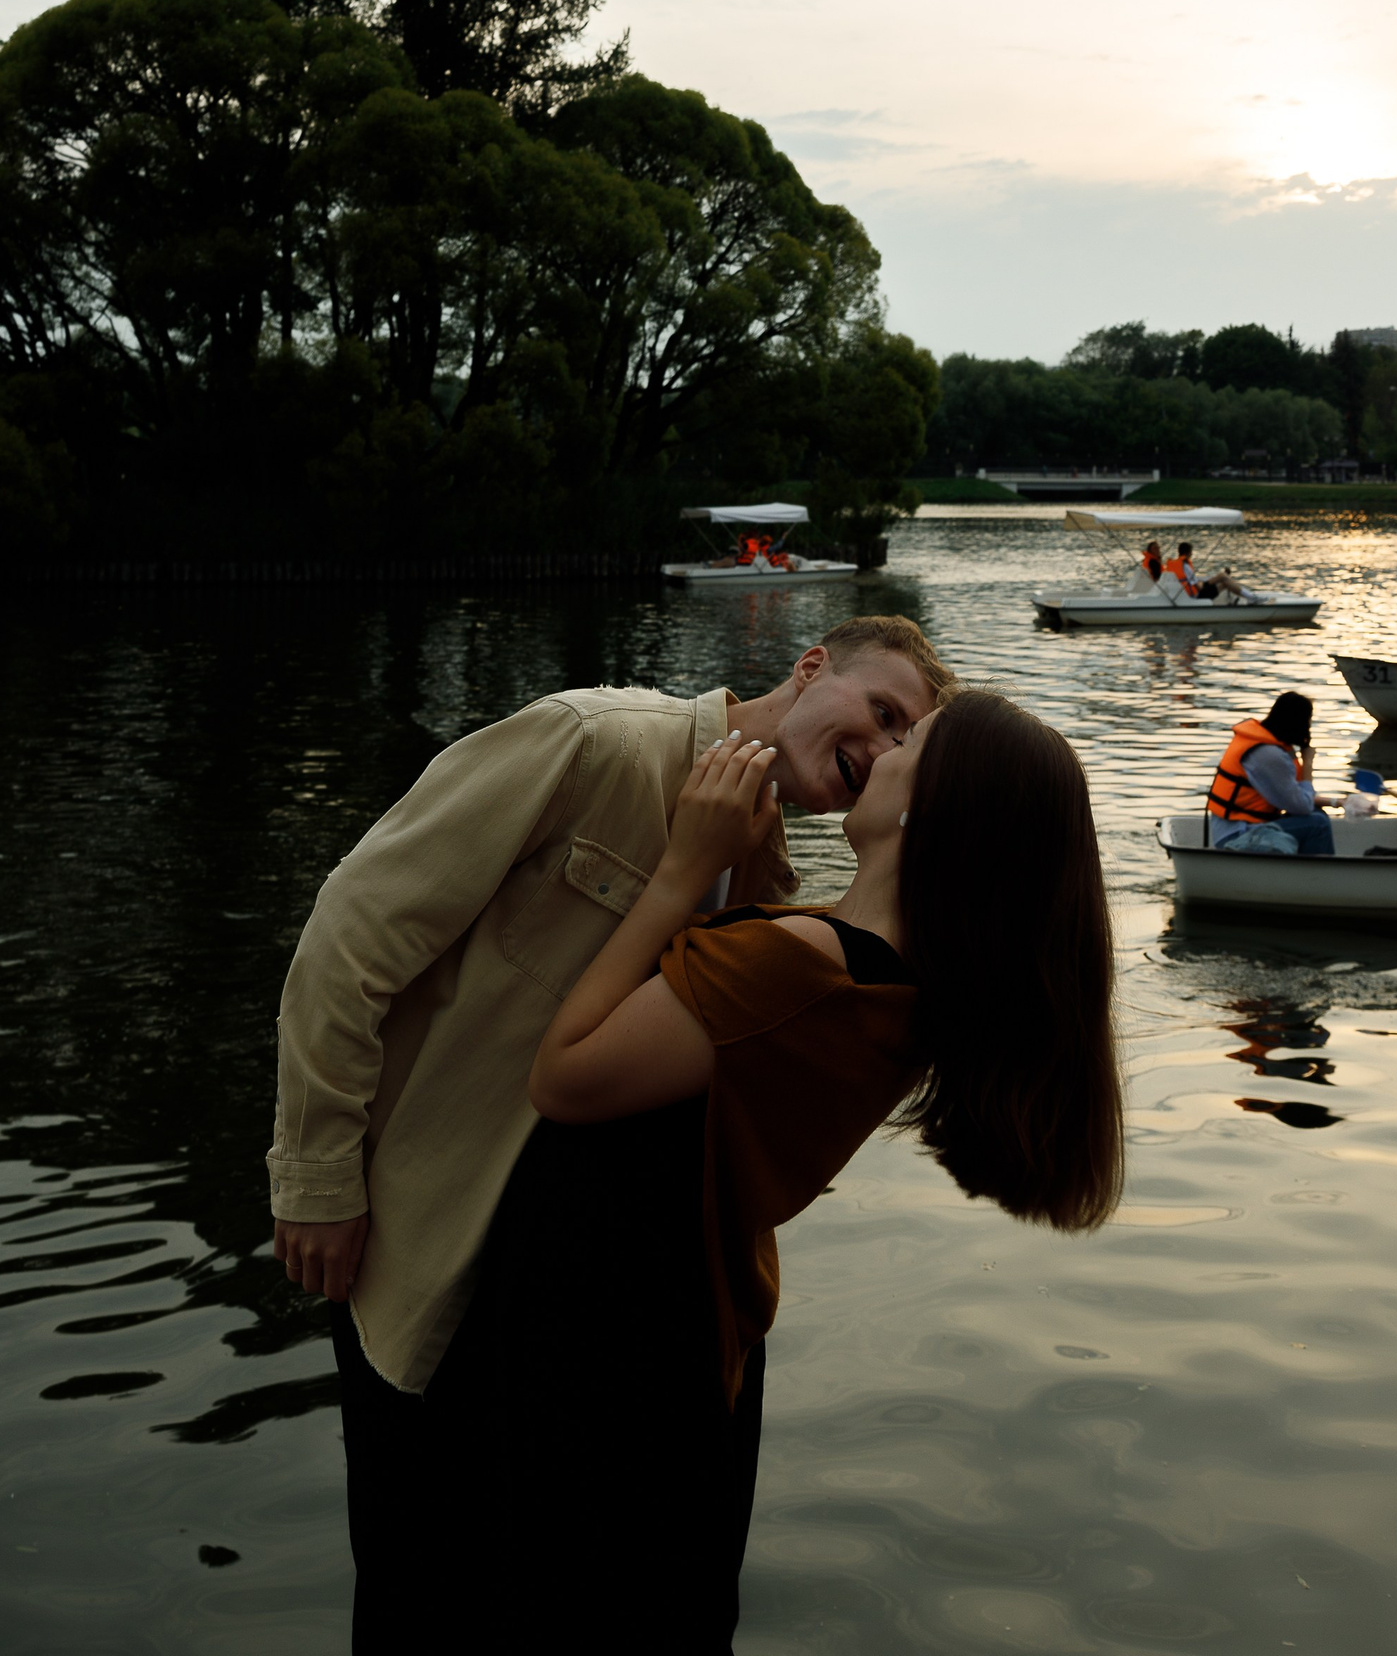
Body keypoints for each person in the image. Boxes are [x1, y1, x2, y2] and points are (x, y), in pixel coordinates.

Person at [268, 614, 955, 1651]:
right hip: (429, 1235)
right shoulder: (598, 744)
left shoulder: (766, 869)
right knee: (418, 1584)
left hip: (552, 1308)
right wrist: (317, 1179)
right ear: (812, 666)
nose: (884, 747)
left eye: (907, 743)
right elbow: (351, 936)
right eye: (883, 710)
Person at [433, 691, 1123, 1652]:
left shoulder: (804, 970)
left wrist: (682, 871)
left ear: (931, 808)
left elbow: (564, 1075)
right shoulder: (889, 985)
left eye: (910, 741)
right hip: (677, 1333)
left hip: (611, 1355)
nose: (884, 752)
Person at [1204, 692, 1334, 852]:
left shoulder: (1261, 743)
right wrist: (1308, 763)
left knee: (1318, 815)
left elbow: (1300, 799)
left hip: (1239, 827)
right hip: (1237, 836)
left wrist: (1337, 802)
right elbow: (1303, 806)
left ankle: (1303, 866)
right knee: (1318, 824)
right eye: (1308, 721)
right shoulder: (1270, 755)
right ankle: (1318, 869)